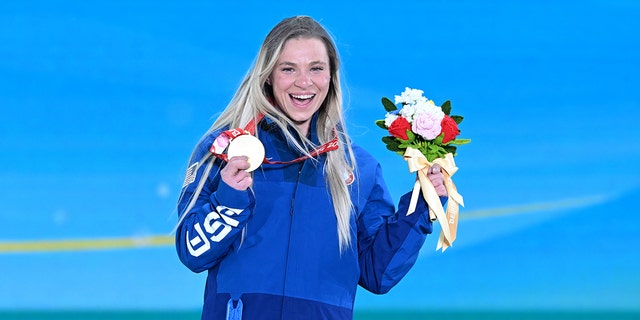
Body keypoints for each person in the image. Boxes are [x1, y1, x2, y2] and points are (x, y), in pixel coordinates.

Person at [174, 15, 448, 320]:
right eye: (288, 69)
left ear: (331, 77)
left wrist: (422, 208)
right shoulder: (227, 148)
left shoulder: (360, 168)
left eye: (316, 69)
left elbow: (377, 273)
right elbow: (191, 252)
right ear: (267, 76)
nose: (304, 83)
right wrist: (229, 200)